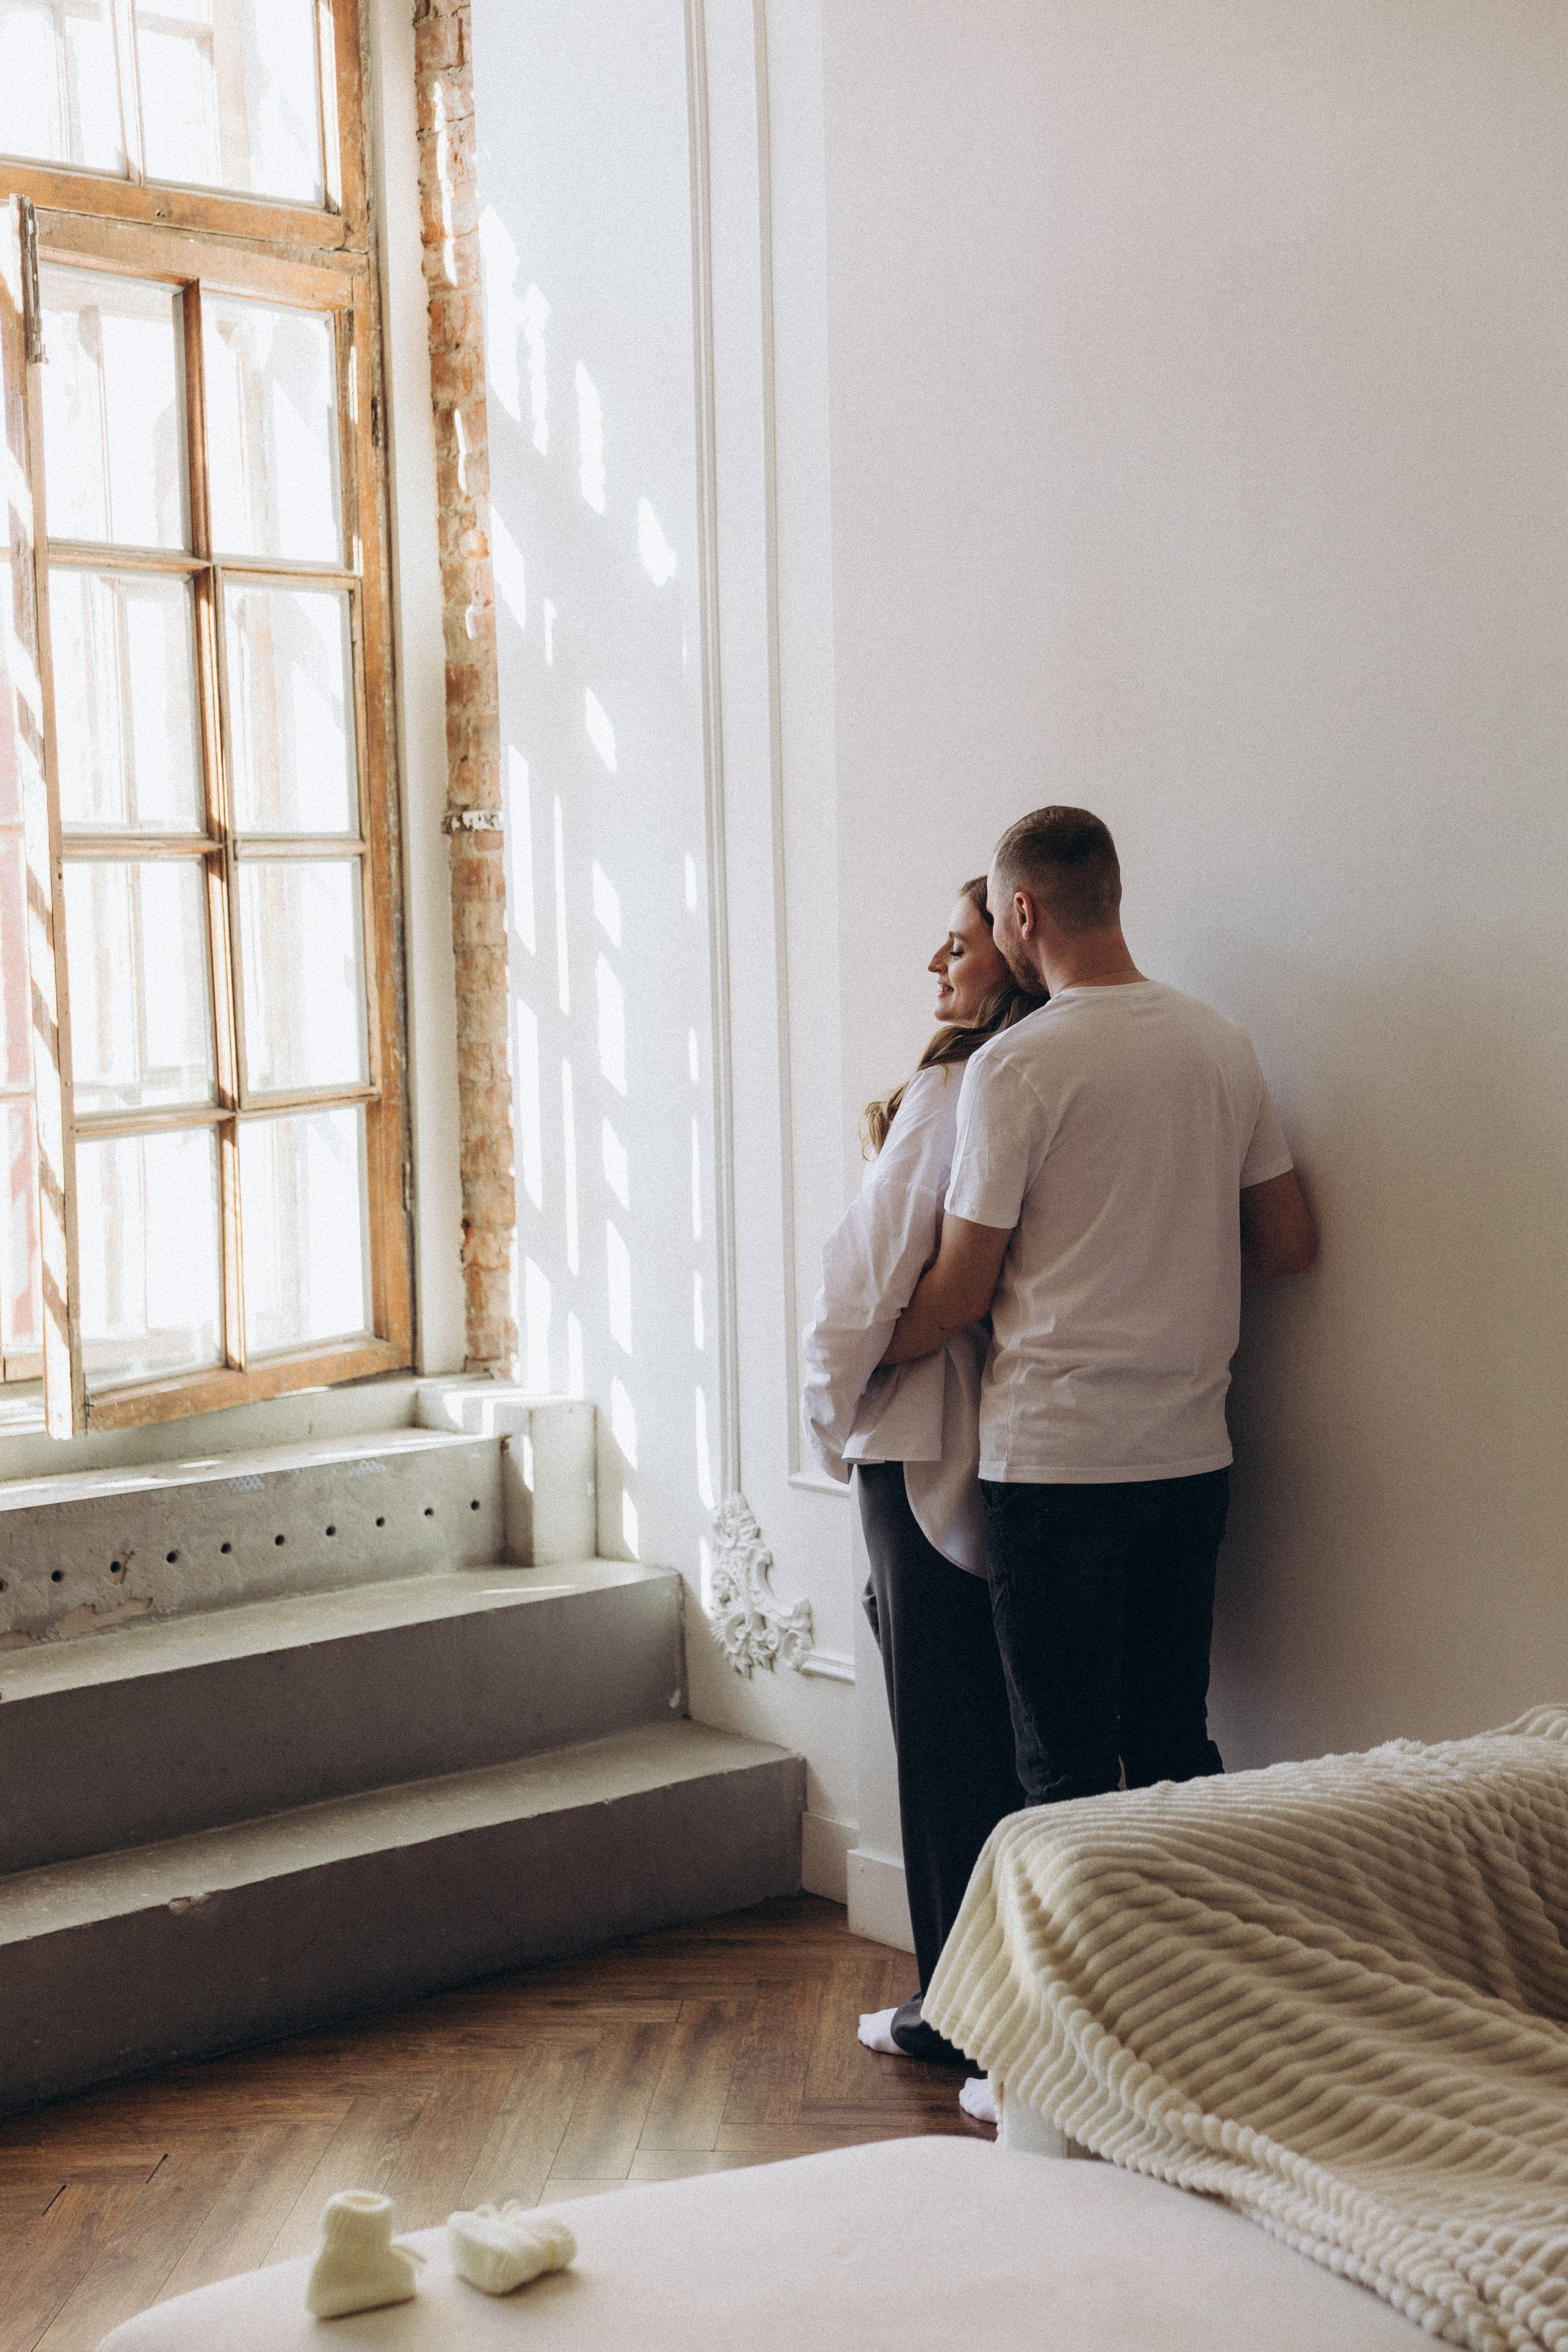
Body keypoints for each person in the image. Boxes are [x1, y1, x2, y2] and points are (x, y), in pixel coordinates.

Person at [881, 807, 1317, 1809]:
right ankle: (1180, 1965)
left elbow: (959, 1289)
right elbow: (1291, 1243)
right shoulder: (1222, 1045)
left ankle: (1078, 1975)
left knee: (1066, 1773)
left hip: (1057, 1463)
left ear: (1023, 912)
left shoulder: (1017, 1065)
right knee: (1175, 1745)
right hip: (1190, 1453)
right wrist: (1170, 1269)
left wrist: (864, 1351)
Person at [801, 877, 1037, 2065]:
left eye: (963, 937)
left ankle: (952, 2007)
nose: (936, 956)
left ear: (1016, 945)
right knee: (982, 1732)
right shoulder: (1031, 1082)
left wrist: (824, 1416)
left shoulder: (953, 1092)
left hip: (914, 1447)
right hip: (998, 1448)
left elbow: (863, 1284)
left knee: (938, 1737)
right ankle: (978, 1999)